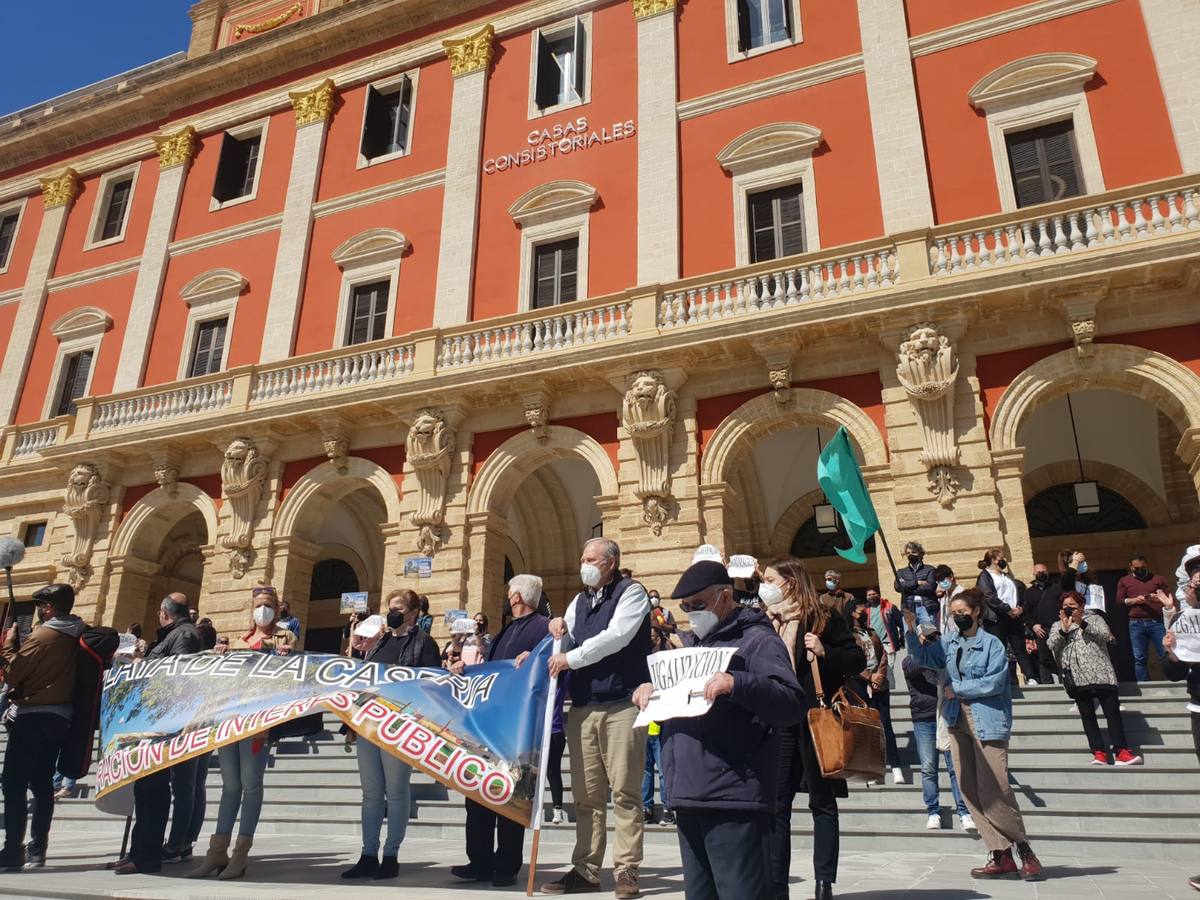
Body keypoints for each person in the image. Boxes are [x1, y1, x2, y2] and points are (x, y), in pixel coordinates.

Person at [633, 560, 805, 900]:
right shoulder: (691, 648)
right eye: (685, 607)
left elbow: (791, 703)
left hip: (732, 793)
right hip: (687, 791)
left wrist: (737, 682)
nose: (691, 613)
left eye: (698, 604)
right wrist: (648, 691)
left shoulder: (757, 641)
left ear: (724, 597)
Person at [903, 590, 1043, 882]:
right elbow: (924, 658)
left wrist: (960, 690)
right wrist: (910, 628)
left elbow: (995, 681)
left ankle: (1024, 849)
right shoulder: (949, 641)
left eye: (962, 611)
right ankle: (999, 853)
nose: (957, 616)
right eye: (953, 613)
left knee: (996, 788)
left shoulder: (991, 643)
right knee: (968, 787)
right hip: (957, 720)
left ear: (977, 611)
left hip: (987, 720)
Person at [540, 538, 650, 900]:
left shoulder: (632, 593)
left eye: (591, 558)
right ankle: (585, 869)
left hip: (621, 704)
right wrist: (557, 627)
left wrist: (570, 659)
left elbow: (616, 637)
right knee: (586, 795)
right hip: (583, 707)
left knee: (625, 792)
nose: (584, 564)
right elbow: (567, 635)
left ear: (611, 562)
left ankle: (627, 869)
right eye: (582, 557)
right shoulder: (579, 599)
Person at [761, 557, 866, 900]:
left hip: (814, 718)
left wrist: (825, 651)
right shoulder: (765, 622)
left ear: (790, 582)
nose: (765, 585)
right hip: (779, 722)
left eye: (770, 579)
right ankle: (777, 884)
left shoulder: (822, 618)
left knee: (822, 802)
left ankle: (824, 882)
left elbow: (857, 659)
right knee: (776, 805)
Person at [190, 585, 296, 881]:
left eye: (268, 605)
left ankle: (240, 854)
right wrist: (218, 655)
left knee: (251, 785)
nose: (262, 610)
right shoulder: (240, 640)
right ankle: (216, 853)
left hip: (258, 723)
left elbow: (292, 678)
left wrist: (284, 657)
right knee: (230, 786)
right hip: (230, 720)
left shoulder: (285, 638)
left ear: (277, 609)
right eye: (258, 605)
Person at [451, 575, 548, 887]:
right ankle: (478, 860)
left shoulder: (543, 627)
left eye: (510, 592)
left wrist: (534, 658)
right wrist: (466, 671)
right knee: (478, 792)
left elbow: (548, 664)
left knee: (509, 794)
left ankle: (506, 865)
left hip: (516, 727)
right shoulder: (506, 629)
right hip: (487, 724)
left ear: (517, 596)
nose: (508, 596)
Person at [342, 589, 439, 880]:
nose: (391, 612)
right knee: (371, 793)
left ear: (412, 613)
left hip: (400, 727)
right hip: (368, 725)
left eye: (397, 608)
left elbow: (434, 686)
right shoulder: (378, 642)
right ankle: (368, 854)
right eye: (389, 607)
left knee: (396, 792)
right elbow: (362, 679)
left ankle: (391, 855)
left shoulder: (424, 643)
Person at [116, 594, 204, 875]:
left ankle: (147, 855)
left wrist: (144, 668)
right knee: (145, 789)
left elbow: (179, 676)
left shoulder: (184, 635)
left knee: (153, 791)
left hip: (165, 723)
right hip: (154, 722)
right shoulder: (175, 634)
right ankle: (138, 851)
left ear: (165, 613)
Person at [0, 583, 85, 871]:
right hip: (60, 717)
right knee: (42, 784)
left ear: (48, 607)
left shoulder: (44, 633)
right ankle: (38, 850)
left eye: (40, 606)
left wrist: (10, 644)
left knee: (12, 782)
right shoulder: (78, 631)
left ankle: (12, 849)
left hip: (33, 714)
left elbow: (14, 673)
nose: (38, 611)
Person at [1048, 592, 1143, 766]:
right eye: (1065, 607)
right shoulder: (1057, 625)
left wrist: (1081, 622)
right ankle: (1099, 752)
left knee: (1112, 713)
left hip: (1101, 674)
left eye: (1073, 606)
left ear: (1082, 606)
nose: (1069, 610)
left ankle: (1121, 751)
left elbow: (1106, 636)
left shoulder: (1095, 619)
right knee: (1088, 716)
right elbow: (1051, 645)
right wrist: (1064, 629)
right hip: (1076, 677)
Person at [901, 643, 974, 832]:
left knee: (955, 768)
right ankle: (933, 812)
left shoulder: (945, 660)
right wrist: (927, 651)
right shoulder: (910, 660)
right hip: (924, 719)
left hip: (947, 715)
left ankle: (964, 811)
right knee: (928, 768)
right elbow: (913, 668)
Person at [1163, 550, 1199, 893]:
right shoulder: (1185, 620)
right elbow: (1174, 672)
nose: (1194, 582)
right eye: (1192, 577)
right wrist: (1172, 650)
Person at [843, 597, 901, 783]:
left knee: (885, 724)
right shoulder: (847, 635)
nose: (864, 612)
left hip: (879, 683)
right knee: (865, 728)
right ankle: (870, 767)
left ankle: (895, 765)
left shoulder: (871, 631)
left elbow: (882, 654)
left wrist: (879, 675)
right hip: (858, 685)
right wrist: (868, 677)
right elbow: (849, 661)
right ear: (852, 611)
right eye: (861, 609)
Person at [175, 618, 219, 862]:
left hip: (189, 729)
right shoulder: (218, 664)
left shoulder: (193, 665)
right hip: (208, 729)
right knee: (196, 786)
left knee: (184, 788)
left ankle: (176, 843)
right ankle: (187, 842)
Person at [976, 548, 1037, 685]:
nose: (1004, 561)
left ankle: (1030, 676)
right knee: (999, 649)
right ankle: (1001, 678)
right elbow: (988, 596)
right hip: (996, 618)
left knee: (1019, 647)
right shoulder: (985, 576)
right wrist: (1007, 609)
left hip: (1013, 617)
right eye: (1001, 558)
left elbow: (1017, 593)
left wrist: (1020, 608)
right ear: (993, 560)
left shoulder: (1007, 576)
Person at [1117, 555, 1169, 682]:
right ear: (1131, 567)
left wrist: (1154, 598)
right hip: (1136, 623)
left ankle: (1172, 680)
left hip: (1157, 622)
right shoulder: (1124, 581)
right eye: (1136, 568)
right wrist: (1134, 600)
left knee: (1165, 654)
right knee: (1139, 657)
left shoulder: (1158, 579)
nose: (1140, 570)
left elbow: (1169, 599)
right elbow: (1119, 601)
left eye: (1143, 567)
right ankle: (1144, 685)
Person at [865, 586, 908, 721]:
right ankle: (876, 689)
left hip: (888, 644)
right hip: (873, 644)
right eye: (869, 595)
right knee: (876, 668)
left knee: (886, 668)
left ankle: (882, 691)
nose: (872, 596)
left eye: (874, 593)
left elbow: (901, 623)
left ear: (879, 594)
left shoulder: (889, 607)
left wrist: (902, 636)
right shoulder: (865, 611)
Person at [1025, 563, 1063, 685]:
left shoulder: (1057, 588)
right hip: (1041, 629)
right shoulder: (1028, 593)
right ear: (1034, 574)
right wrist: (1033, 625)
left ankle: (1066, 680)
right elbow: (1026, 613)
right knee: (1044, 658)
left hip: (1059, 627)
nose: (1041, 573)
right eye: (1038, 571)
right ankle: (1047, 683)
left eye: (1043, 571)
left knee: (1063, 655)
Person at [895, 541, 938, 625]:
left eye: (913, 552)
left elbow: (931, 587)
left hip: (926, 609)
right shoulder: (901, 572)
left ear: (920, 554)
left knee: (929, 635)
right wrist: (917, 583)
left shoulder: (930, 569)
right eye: (908, 553)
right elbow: (897, 587)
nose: (910, 555)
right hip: (908, 609)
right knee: (911, 636)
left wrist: (907, 588)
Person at [641, 721, 671, 826]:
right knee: (646, 772)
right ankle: (646, 809)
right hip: (644, 731)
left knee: (663, 772)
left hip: (661, 733)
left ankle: (668, 810)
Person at [1059, 550, 1106, 615]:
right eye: (1080, 562)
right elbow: (1068, 576)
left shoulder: (1090, 579)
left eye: (1083, 562)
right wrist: (1075, 561)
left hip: (1096, 616)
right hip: (1079, 616)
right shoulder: (1067, 581)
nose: (1083, 564)